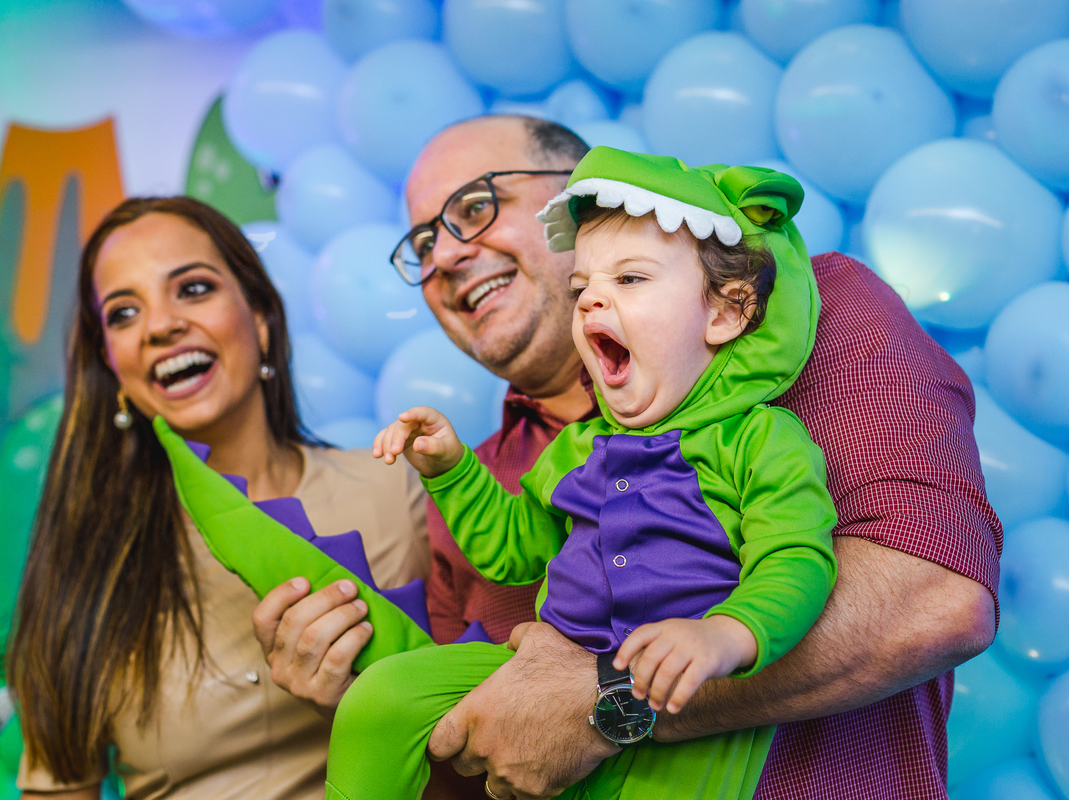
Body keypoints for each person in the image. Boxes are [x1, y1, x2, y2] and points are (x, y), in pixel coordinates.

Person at [255, 116, 1002, 800]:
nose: (446, 253)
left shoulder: (809, 316)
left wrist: (606, 702)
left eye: (476, 208)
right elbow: (494, 753)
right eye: (423, 243)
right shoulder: (489, 478)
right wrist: (359, 681)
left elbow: (934, 599)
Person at [316, 149, 840, 800]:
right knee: (382, 697)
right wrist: (450, 468)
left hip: (684, 704)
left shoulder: (760, 439)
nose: (592, 299)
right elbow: (512, 549)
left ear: (725, 314)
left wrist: (725, 635)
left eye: (630, 280)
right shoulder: (580, 446)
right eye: (581, 287)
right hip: (544, 678)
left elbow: (796, 557)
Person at [5, 196, 431, 800]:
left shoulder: (397, 489)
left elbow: (486, 727)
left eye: (194, 288)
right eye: (124, 313)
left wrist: (369, 704)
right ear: (112, 364)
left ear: (259, 317)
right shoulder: (85, 566)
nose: (160, 326)